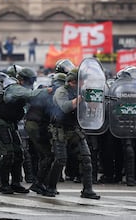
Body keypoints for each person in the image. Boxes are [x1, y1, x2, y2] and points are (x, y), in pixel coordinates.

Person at [45, 68, 100, 199]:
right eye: (81, 81)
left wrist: (93, 102)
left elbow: (88, 111)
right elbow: (65, 107)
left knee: (86, 158)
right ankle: (50, 187)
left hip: (75, 128)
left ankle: (88, 189)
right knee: (60, 160)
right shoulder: (61, 91)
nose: (83, 83)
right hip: (60, 129)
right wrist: (80, 99)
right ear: (72, 81)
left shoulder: (80, 92)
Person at [0, 67, 46, 194]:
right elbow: (30, 94)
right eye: (29, 80)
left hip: (10, 124)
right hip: (0, 123)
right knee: (8, 153)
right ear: (21, 79)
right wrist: (46, 90)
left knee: (19, 153)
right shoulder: (14, 88)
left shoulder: (23, 90)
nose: (30, 83)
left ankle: (15, 183)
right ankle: (3, 184)